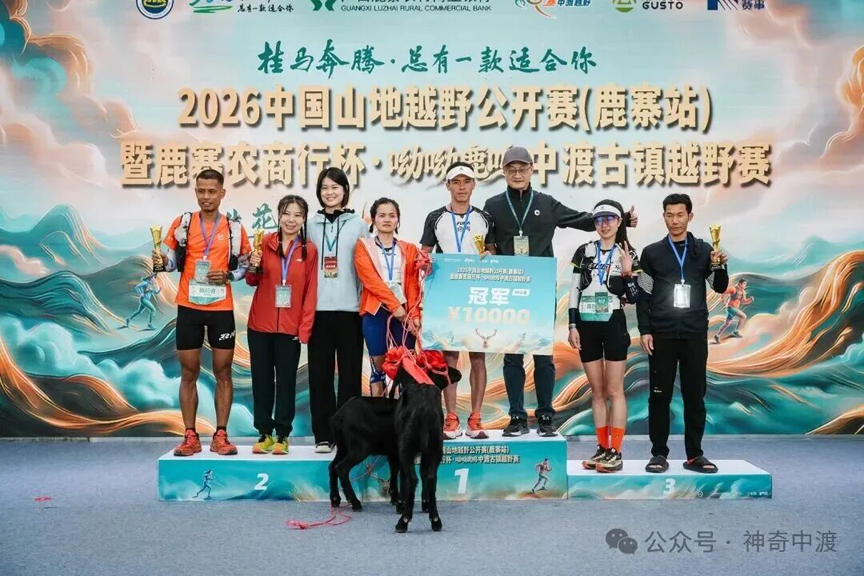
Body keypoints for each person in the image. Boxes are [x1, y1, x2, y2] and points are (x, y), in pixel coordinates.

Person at [482, 146, 638, 437]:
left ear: (531, 169)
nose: (517, 174)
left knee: (543, 354)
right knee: (512, 356)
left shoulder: (546, 203)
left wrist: (621, 219)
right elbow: (487, 244)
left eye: (523, 168)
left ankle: (545, 416)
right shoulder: (493, 205)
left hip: (541, 288)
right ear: (503, 172)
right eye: (511, 169)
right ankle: (516, 417)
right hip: (509, 290)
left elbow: (582, 219)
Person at [153, 168, 251, 457]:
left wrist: (229, 276)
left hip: (221, 309)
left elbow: (246, 266)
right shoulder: (183, 224)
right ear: (196, 191)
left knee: (223, 372)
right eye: (201, 191)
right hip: (189, 307)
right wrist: (161, 262)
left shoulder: (234, 229)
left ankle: (220, 435)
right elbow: (170, 263)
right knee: (188, 372)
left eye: (212, 191)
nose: (206, 196)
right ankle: (190, 436)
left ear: (222, 193)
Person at [636, 193, 729, 474]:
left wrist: (719, 265)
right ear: (663, 216)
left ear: (690, 216)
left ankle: (695, 455)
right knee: (659, 396)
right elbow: (643, 295)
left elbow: (720, 287)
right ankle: (658, 454)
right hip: (661, 335)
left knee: (694, 396)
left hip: (694, 334)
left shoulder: (703, 251)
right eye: (669, 215)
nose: (674, 220)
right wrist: (645, 330)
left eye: (680, 215)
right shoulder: (651, 253)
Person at [420, 161, 496, 439]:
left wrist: (490, 257)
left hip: (477, 294)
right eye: (456, 182)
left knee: (478, 355)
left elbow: (492, 252)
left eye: (466, 182)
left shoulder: (485, 218)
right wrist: (425, 263)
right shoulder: (435, 217)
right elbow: (424, 253)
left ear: (474, 185)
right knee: (449, 356)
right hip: (447, 294)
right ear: (448, 185)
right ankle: (451, 418)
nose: (461, 187)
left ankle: (475, 418)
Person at [568, 200, 640, 474]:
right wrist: (572, 325)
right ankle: (601, 447)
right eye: (599, 220)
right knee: (597, 392)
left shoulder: (628, 252)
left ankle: (616, 451)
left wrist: (627, 272)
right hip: (586, 324)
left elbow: (635, 297)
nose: (605, 224)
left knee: (614, 390)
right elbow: (574, 290)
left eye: (610, 218)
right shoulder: (584, 251)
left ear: (619, 222)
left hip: (614, 323)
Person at [246, 195, 318, 456]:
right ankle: (264, 433)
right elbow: (251, 281)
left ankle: (283, 435)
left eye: (297, 215)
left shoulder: (309, 250)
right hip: (260, 326)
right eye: (287, 213)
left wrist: (304, 329)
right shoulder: (264, 243)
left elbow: (311, 292)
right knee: (261, 381)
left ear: (304, 219)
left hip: (290, 329)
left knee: (286, 382)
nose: (291, 220)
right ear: (278, 216)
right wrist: (253, 266)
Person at [306, 168, 368, 453]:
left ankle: (348, 434)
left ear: (345, 190)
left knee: (350, 375)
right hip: (318, 309)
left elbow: (367, 267)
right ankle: (323, 434)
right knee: (319, 375)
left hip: (350, 309)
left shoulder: (359, 225)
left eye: (335, 187)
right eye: (324, 188)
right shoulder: (310, 224)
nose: (329, 193)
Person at [354, 198, 421, 397]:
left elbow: (412, 283)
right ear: (374, 219)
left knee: (406, 366)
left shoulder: (409, 248)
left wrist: (414, 314)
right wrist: (394, 305)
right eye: (382, 215)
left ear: (398, 220)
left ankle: (404, 412)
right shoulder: (363, 246)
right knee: (378, 366)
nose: (387, 219)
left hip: (404, 312)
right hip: (375, 310)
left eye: (392, 216)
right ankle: (378, 410)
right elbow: (370, 280)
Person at [714, 278, 753, 343]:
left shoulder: (743, 292)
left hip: (735, 309)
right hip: (731, 308)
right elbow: (724, 293)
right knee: (743, 316)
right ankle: (735, 331)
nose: (745, 285)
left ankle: (717, 335)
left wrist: (750, 300)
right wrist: (724, 301)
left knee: (727, 324)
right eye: (744, 284)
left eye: (745, 284)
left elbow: (744, 301)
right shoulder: (733, 289)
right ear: (740, 283)